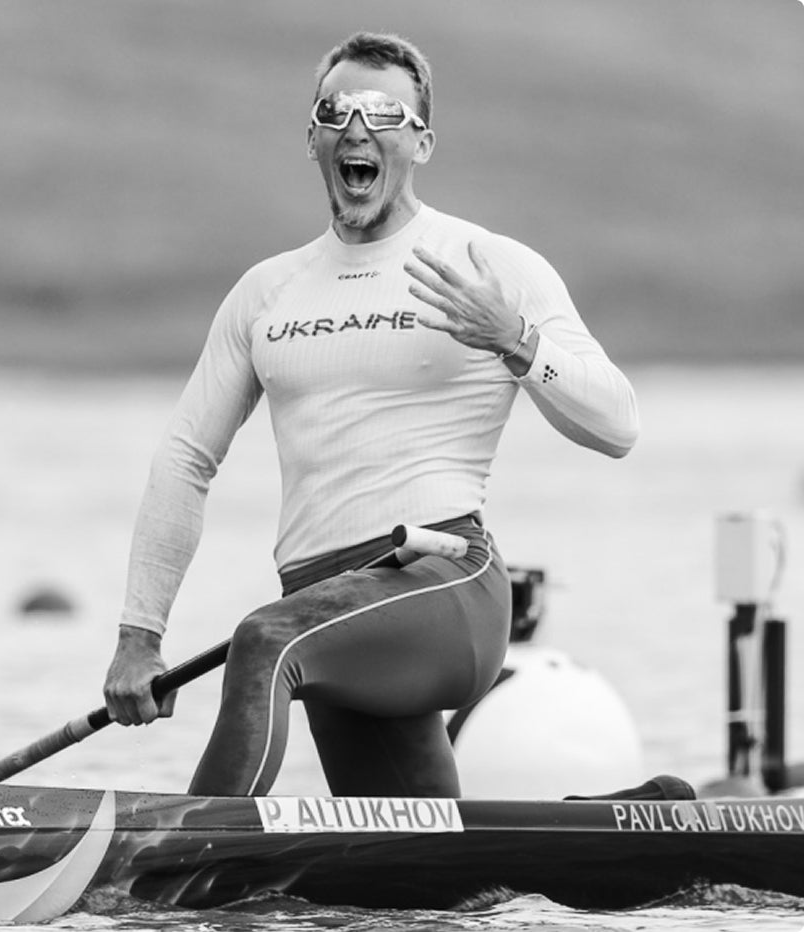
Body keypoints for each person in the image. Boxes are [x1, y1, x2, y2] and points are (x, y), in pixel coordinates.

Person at [102, 31, 638, 798]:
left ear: (420, 141)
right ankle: (625, 840)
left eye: (384, 111)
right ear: (313, 139)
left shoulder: (489, 263)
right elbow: (186, 462)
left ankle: (165, 894)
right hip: (329, 607)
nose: (358, 127)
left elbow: (618, 424)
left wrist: (516, 342)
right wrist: (138, 637)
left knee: (264, 640)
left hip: (444, 583)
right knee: (412, 881)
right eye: (336, 109)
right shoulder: (267, 292)